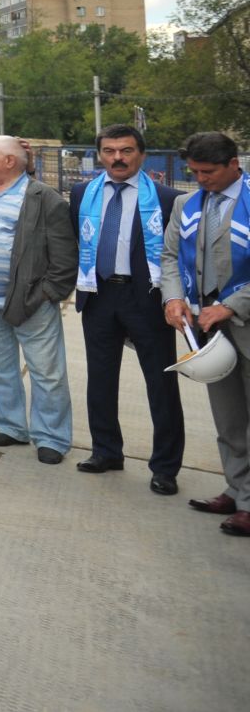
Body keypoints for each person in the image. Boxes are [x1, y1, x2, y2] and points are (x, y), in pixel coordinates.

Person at [69, 125, 182, 494]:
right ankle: (106, 451)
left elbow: (174, 255)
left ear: (142, 155)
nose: (117, 157)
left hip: (146, 298)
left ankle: (165, 467)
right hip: (98, 294)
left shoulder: (167, 199)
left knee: (160, 384)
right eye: (109, 150)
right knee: (100, 379)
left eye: (126, 150)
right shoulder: (82, 193)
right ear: (100, 154)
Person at [0, 135, 76, 465]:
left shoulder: (43, 198)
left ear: (9, 161)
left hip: (30, 304)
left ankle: (51, 436)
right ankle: (12, 426)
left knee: (47, 372)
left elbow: (64, 261)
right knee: (2, 369)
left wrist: (46, 295)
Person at [160, 132, 250, 536]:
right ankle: (238, 489)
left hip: (242, 317)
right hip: (208, 328)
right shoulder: (187, 203)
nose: (200, 179)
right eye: (194, 172)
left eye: (207, 172)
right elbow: (168, 256)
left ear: (234, 163)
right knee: (228, 418)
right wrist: (173, 298)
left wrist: (234, 305)